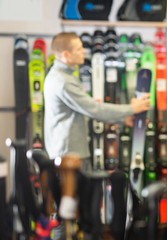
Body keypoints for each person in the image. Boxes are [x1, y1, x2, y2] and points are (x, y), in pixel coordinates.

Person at [44, 31, 151, 169]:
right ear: (66, 55)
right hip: (68, 155)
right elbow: (93, 108)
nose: (84, 51)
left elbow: (85, 110)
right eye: (79, 49)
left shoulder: (63, 76)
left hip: (69, 151)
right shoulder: (63, 82)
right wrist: (132, 108)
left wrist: (123, 119)